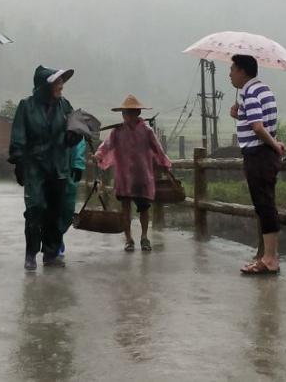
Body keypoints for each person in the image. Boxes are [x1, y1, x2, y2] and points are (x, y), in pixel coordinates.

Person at [9, 65, 79, 271]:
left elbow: (70, 133)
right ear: (44, 86)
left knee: (55, 211)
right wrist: (19, 162)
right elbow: (18, 135)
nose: (61, 86)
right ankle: (31, 252)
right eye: (57, 83)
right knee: (35, 208)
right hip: (35, 167)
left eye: (61, 82)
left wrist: (74, 136)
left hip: (58, 165)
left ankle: (51, 252)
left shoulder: (64, 105)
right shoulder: (26, 106)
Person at [229, 55, 286, 275]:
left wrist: (274, 145)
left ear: (243, 71)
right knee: (266, 204)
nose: (230, 74)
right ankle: (269, 256)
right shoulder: (263, 89)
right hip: (263, 154)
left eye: (233, 69)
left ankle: (270, 259)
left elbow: (257, 127)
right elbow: (258, 122)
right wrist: (239, 114)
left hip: (258, 155)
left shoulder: (250, 93)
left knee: (264, 205)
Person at [94, 95, 172, 252]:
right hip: (124, 177)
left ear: (137, 113)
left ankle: (144, 237)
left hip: (142, 176)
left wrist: (165, 163)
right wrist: (99, 154)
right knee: (126, 209)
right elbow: (106, 146)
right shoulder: (117, 131)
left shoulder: (146, 131)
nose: (127, 116)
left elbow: (158, 149)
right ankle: (128, 239)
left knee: (144, 209)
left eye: (130, 112)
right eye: (125, 113)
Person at [58, 137, 86, 258]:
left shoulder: (73, 119)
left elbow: (79, 139)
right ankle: (53, 241)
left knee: (68, 209)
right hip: (47, 168)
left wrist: (78, 164)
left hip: (68, 171)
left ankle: (58, 235)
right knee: (50, 208)